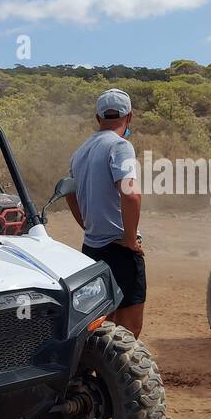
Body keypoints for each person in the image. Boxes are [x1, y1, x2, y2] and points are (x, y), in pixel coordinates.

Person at [67, 89, 145, 336]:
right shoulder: (121, 146)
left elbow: (70, 193)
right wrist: (131, 240)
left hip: (91, 249)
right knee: (129, 328)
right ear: (129, 116)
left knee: (99, 324)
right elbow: (130, 193)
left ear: (98, 117)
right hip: (120, 248)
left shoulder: (79, 152)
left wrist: (89, 226)